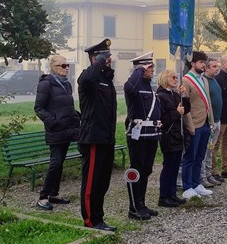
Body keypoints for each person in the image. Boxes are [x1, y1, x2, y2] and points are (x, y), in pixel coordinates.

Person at [77, 39, 117, 232]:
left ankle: (99, 217)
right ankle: (90, 220)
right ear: (95, 58)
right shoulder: (88, 78)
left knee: (103, 182)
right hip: (92, 137)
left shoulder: (106, 80)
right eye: (105, 57)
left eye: (108, 57)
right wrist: (99, 62)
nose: (109, 60)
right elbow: (87, 78)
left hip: (106, 138)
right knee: (92, 182)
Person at [34, 55, 79, 210]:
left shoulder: (66, 85)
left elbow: (67, 107)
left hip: (67, 130)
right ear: (53, 67)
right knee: (56, 162)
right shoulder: (46, 84)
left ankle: (54, 194)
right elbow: (39, 108)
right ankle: (43, 197)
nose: (66, 68)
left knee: (60, 164)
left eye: (67, 65)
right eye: (62, 65)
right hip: (56, 131)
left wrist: (77, 117)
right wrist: (54, 121)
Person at [123, 52, 162, 220]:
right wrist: (139, 70)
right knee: (137, 169)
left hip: (151, 134)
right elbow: (130, 88)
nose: (152, 70)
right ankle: (133, 207)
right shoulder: (133, 84)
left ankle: (141, 203)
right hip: (137, 135)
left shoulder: (148, 86)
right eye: (149, 67)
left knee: (146, 169)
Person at [180, 51, 214, 199]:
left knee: (200, 155)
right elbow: (185, 105)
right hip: (194, 123)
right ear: (193, 64)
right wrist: (190, 125)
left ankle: (196, 183)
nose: (203, 65)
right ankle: (187, 186)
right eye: (201, 62)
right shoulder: (186, 81)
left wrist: (211, 121)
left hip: (205, 122)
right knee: (190, 157)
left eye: (204, 62)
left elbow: (208, 102)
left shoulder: (204, 80)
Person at [156, 69, 188, 208]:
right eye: (173, 77)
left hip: (177, 134)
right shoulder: (160, 96)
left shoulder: (175, 95)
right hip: (168, 135)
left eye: (176, 77)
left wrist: (184, 96)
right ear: (165, 78)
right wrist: (176, 113)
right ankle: (164, 196)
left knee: (175, 165)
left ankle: (172, 193)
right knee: (168, 166)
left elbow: (186, 109)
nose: (176, 79)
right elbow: (162, 118)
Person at [201, 57, 223, 187]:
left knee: (211, 149)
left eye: (217, 66)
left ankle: (209, 174)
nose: (217, 69)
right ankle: (202, 176)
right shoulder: (204, 81)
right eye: (214, 66)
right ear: (207, 68)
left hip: (218, 120)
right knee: (205, 150)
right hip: (209, 120)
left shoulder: (215, 80)